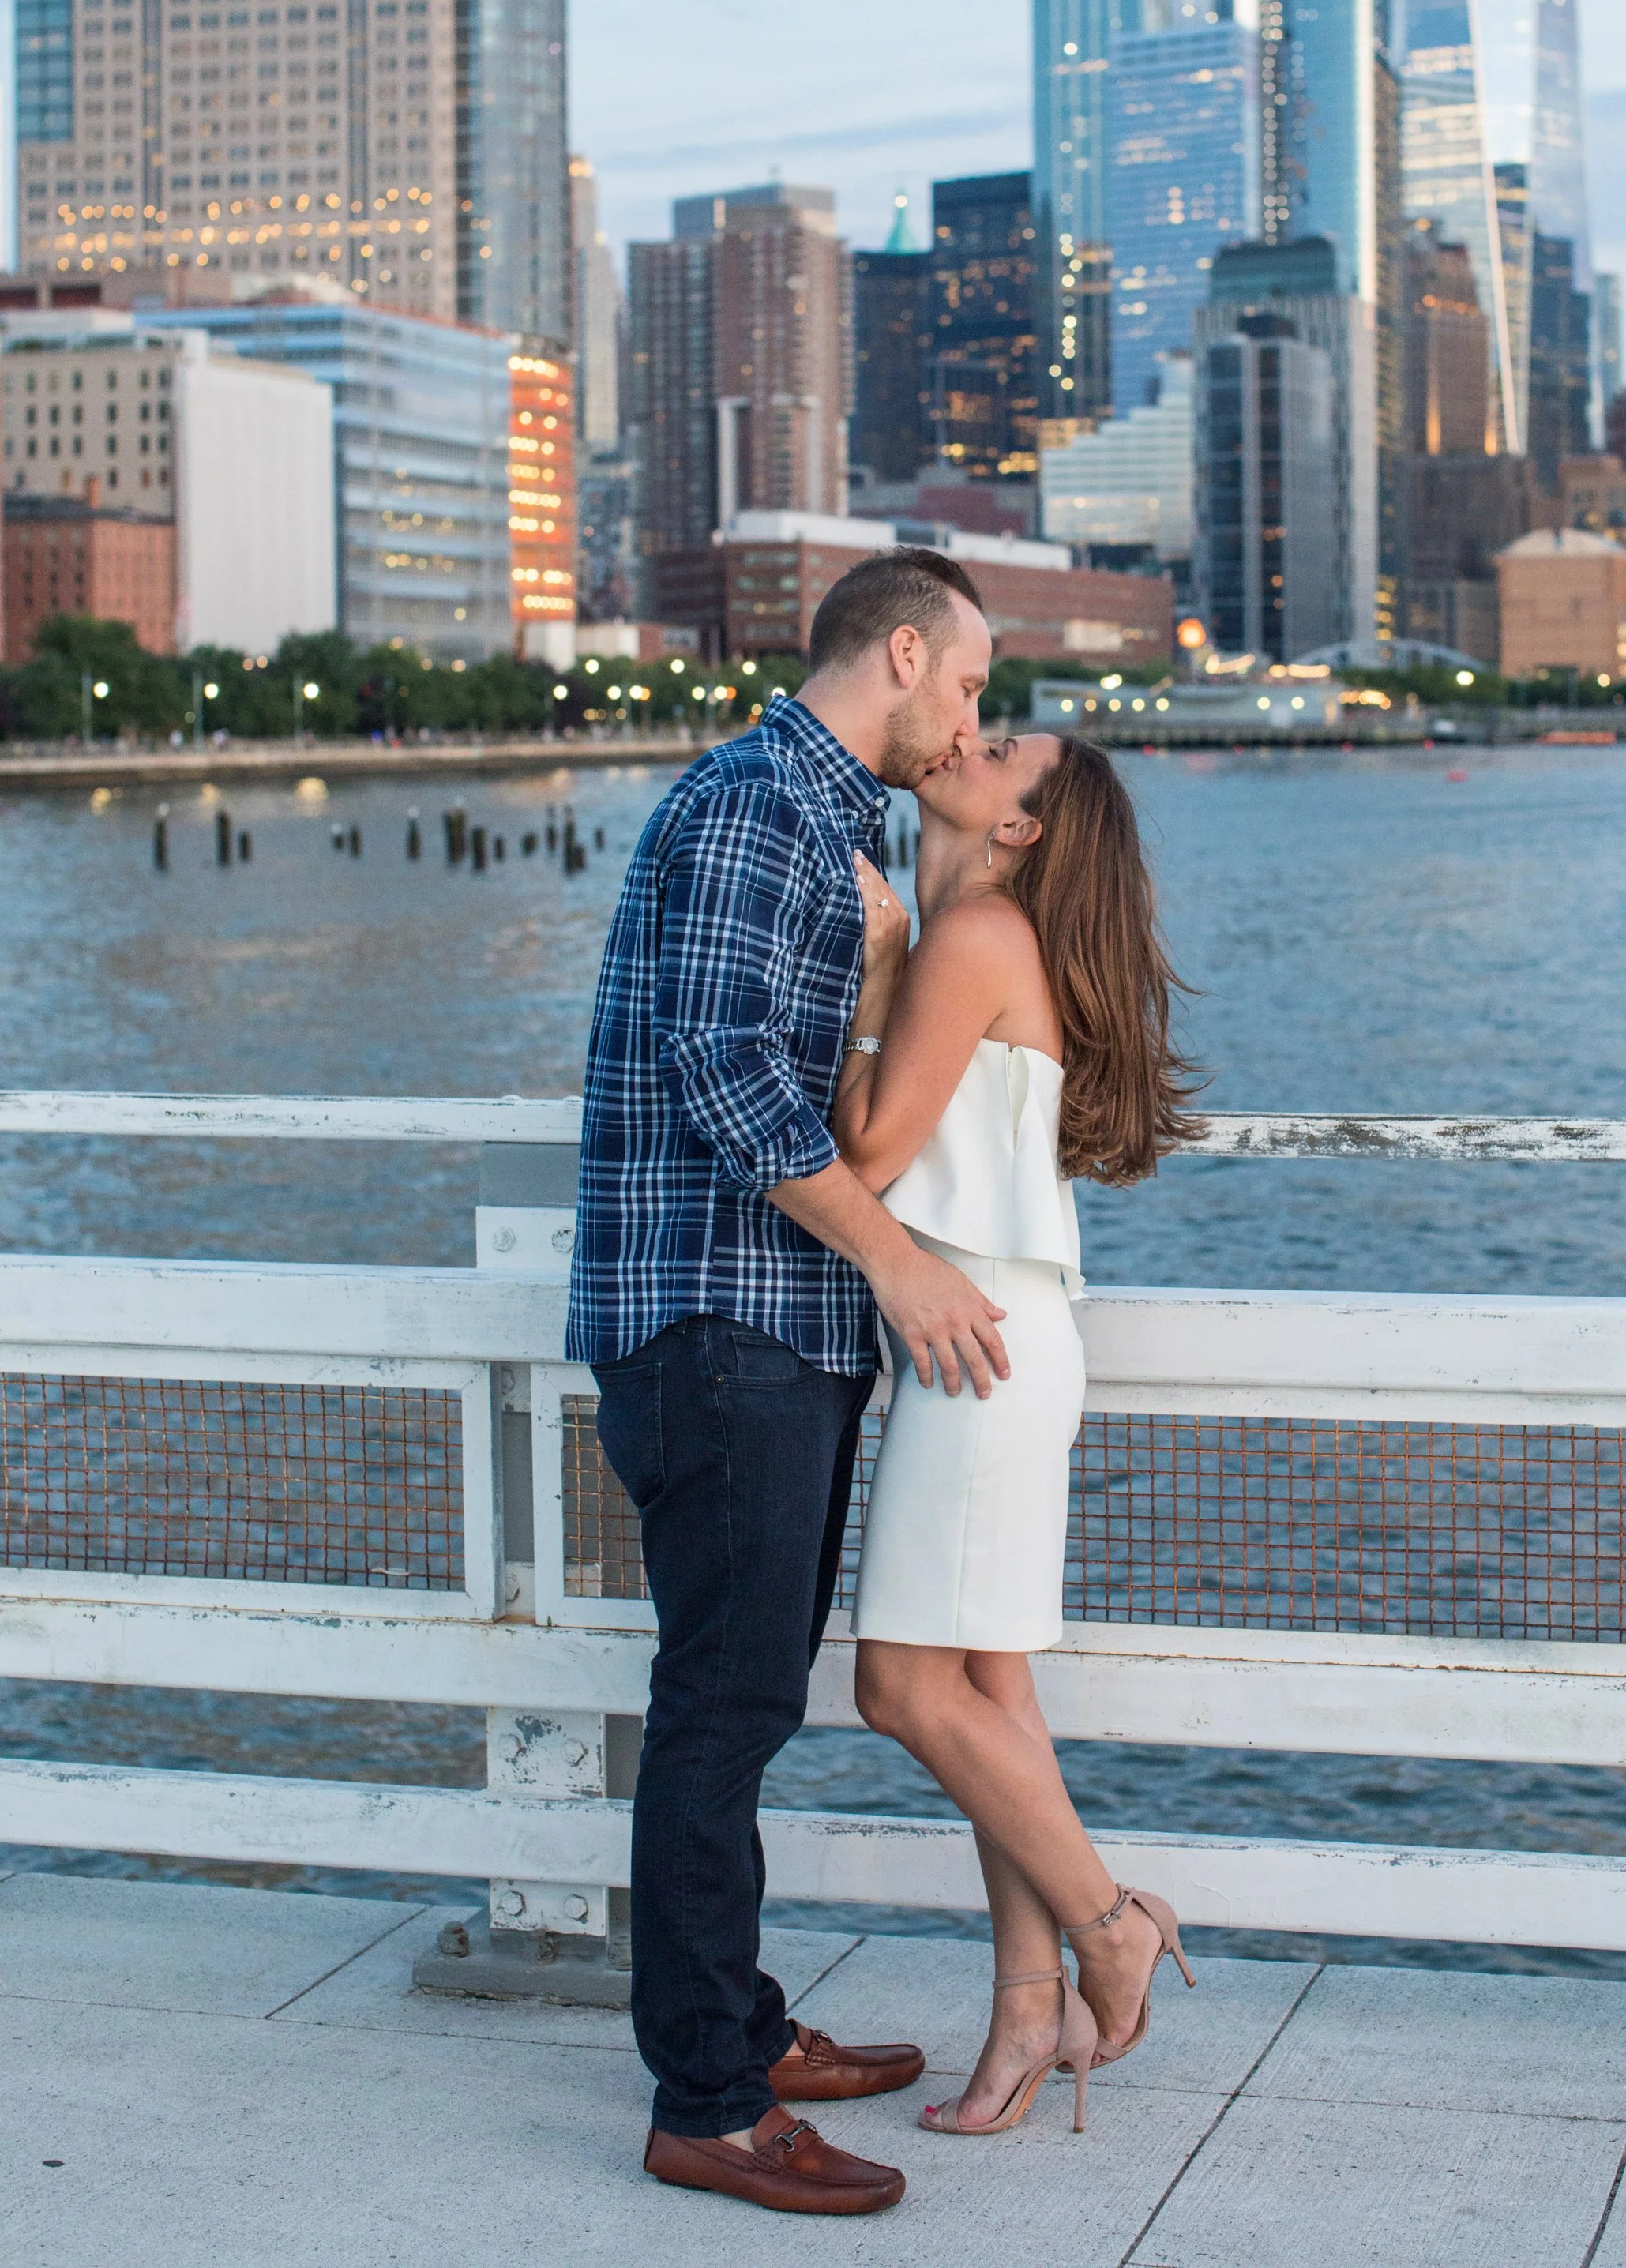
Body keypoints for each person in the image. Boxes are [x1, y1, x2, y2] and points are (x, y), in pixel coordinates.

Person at [569, 547, 1012, 2220]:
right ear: (899, 653)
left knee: (736, 1700)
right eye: (965, 683)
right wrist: (898, 1266)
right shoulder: (760, 800)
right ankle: (705, 2099)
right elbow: (723, 1068)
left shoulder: (822, 819)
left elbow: (816, 1066)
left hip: (761, 1327)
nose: (972, 715)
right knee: (721, 1709)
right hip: (718, 1327)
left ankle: (737, 2032)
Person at [831, 727, 1203, 2137]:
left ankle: (1108, 1917)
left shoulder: (974, 937)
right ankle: (1026, 2007)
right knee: (991, 1693)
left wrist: (875, 978)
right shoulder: (980, 932)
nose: (967, 743)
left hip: (972, 1345)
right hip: (1005, 1335)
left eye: (999, 750)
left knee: (899, 1688)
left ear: (1023, 830)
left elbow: (863, 1159)